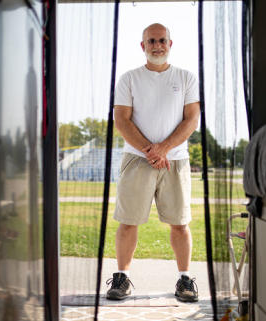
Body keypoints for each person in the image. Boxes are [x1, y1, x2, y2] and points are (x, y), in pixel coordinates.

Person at [105, 23, 201, 302]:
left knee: (180, 224)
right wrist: (151, 151)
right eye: (151, 41)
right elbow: (121, 119)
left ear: (170, 44)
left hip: (176, 161)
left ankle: (185, 279)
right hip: (137, 160)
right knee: (127, 221)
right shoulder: (128, 78)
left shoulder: (186, 77)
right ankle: (121, 277)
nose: (156, 45)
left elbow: (192, 119)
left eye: (161, 40)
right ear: (143, 46)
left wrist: (165, 149)